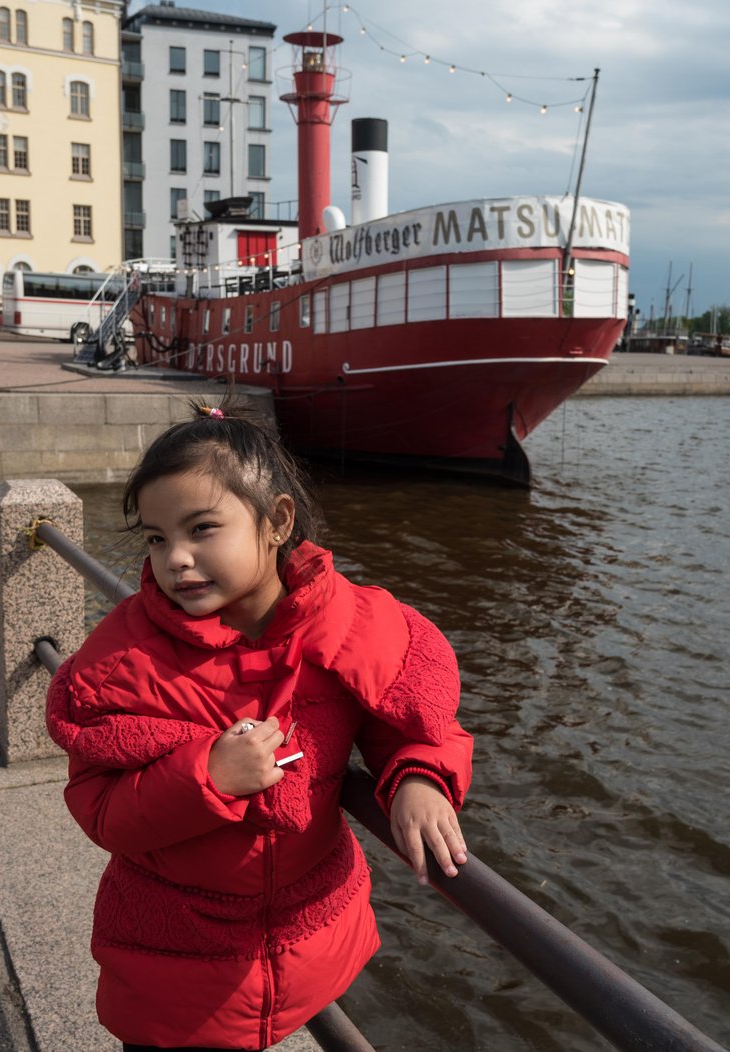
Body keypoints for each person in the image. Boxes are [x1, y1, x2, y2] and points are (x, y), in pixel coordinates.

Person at [46, 401, 474, 1052]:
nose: (177, 560)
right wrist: (205, 778)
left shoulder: (349, 625)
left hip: (305, 942)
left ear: (276, 522)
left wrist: (420, 777)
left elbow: (411, 711)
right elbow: (100, 806)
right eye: (158, 538)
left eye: (202, 529)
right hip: (176, 962)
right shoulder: (127, 662)